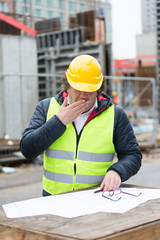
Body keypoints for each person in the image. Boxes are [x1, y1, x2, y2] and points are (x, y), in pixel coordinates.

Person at [20, 54, 142, 196]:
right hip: (53, 199)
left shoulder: (115, 115)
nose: (83, 95)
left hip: (95, 198)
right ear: (68, 86)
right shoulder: (46, 107)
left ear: (98, 89)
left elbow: (132, 155)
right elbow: (27, 149)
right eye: (78, 89)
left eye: (90, 89)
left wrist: (117, 171)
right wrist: (59, 122)